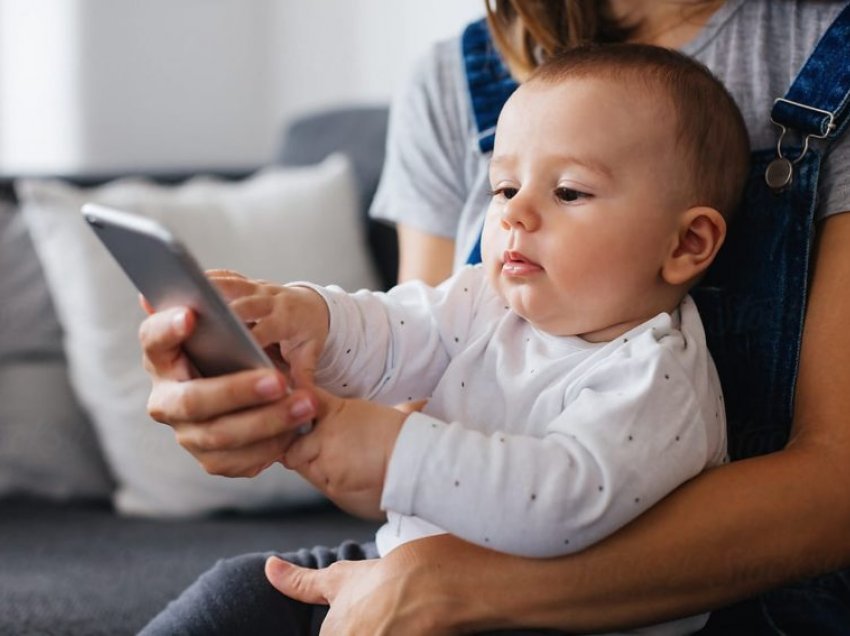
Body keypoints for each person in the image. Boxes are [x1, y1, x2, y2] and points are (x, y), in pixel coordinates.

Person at [139, 1, 850, 633]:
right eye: (504, 185)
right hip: (413, 561)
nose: (513, 213)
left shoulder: (651, 374)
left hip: (589, 609)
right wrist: (304, 321)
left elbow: (559, 498)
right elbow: (396, 332)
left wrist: (393, 452)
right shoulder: (489, 295)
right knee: (234, 593)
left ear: (687, 243)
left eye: (568, 192)